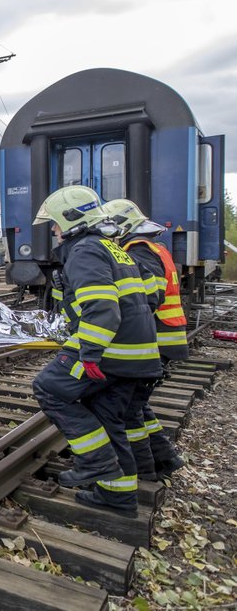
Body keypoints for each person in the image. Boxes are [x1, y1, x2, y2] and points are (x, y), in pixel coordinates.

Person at [31, 185, 162, 517]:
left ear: (71, 221)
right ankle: (118, 496)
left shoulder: (85, 250)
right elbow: (145, 297)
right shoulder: (112, 247)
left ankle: (94, 463)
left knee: (49, 387)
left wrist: (88, 355)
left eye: (56, 225)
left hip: (113, 353)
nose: (55, 232)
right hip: (137, 352)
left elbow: (103, 309)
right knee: (107, 414)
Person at [103, 199, 187, 480]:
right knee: (137, 404)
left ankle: (144, 470)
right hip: (164, 336)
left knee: (128, 412)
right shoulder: (154, 247)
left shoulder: (137, 250)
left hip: (156, 338)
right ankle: (165, 459)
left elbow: (149, 295)